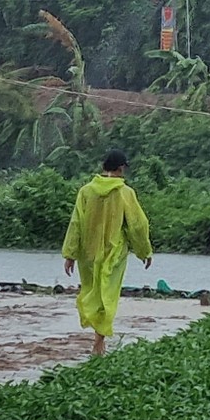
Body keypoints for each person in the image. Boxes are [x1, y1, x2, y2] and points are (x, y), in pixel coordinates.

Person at [61, 151, 153, 356]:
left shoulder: (86, 191)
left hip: (88, 254)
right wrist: (144, 251)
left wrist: (70, 254)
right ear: (120, 168)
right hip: (115, 253)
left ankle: (98, 338)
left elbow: (75, 223)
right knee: (108, 294)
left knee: (93, 291)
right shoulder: (125, 193)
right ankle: (99, 341)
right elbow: (137, 225)